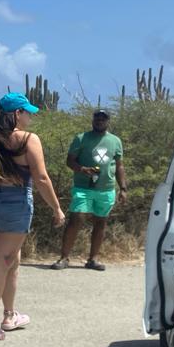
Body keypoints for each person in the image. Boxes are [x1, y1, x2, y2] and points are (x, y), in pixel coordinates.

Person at [0, 92, 66, 341]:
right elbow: (41, 178)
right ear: (17, 114)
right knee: (1, 265)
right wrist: (56, 208)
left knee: (12, 261)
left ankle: (9, 316)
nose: (30, 117)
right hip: (16, 203)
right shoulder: (29, 139)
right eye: (27, 112)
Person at [52, 109, 126, 271]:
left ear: (108, 121)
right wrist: (82, 169)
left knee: (101, 222)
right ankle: (64, 258)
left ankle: (93, 259)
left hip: (106, 189)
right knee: (76, 218)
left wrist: (123, 188)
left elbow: (119, 165)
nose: (100, 120)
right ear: (93, 120)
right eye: (97, 118)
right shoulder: (81, 138)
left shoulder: (115, 141)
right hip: (83, 187)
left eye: (103, 118)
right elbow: (70, 161)